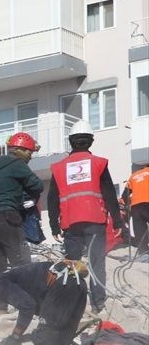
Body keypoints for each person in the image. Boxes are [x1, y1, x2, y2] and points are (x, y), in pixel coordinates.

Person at [47, 121, 124, 312]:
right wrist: (118, 220)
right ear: (91, 141)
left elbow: (51, 199)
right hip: (95, 220)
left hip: (70, 223)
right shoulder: (98, 163)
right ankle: (98, 303)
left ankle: (72, 303)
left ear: (71, 142)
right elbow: (109, 194)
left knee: (73, 264)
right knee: (96, 262)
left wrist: (54, 226)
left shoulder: (59, 167)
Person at [0, 132, 44, 312]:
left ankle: (1, 307)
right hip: (6, 215)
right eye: (29, 152)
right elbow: (38, 186)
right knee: (21, 261)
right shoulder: (17, 165)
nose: (30, 156)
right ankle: (30, 305)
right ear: (21, 151)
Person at [125, 164, 149, 253]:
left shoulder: (133, 176)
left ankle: (143, 251)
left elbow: (125, 194)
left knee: (140, 230)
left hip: (136, 206)